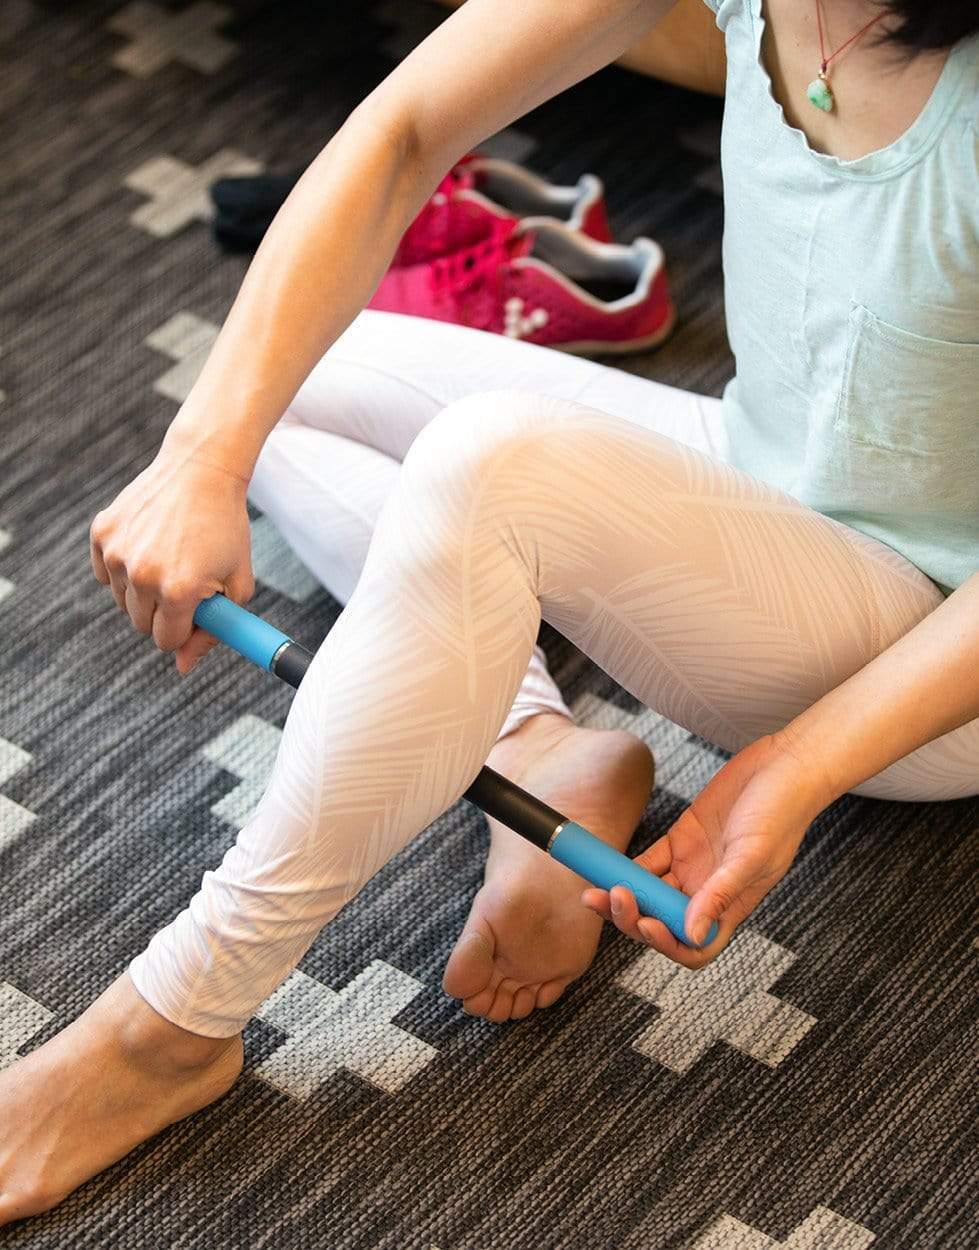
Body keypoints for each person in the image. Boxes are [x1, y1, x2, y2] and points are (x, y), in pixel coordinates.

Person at [1, 0, 976, 1225]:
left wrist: (797, 761)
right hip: (765, 461)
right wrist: (203, 453)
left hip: (931, 642)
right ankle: (533, 745)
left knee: (494, 464)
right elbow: (405, 128)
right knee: (286, 370)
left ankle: (170, 1023)